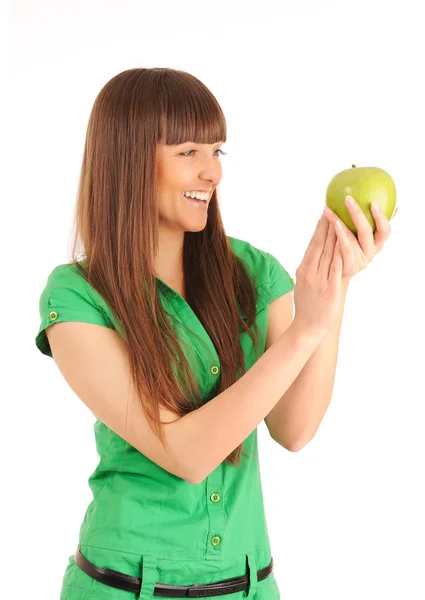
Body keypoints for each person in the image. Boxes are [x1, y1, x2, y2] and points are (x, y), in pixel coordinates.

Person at [35, 68, 395, 599]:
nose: (213, 173)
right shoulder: (76, 297)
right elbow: (184, 452)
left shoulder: (254, 273)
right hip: (125, 588)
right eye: (188, 153)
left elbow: (294, 430)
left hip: (251, 586)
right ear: (127, 160)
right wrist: (304, 331)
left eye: (217, 152)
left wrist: (334, 289)